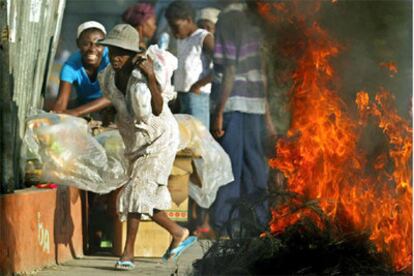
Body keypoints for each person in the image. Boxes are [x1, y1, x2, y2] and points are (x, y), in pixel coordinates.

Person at [97, 24, 196, 270]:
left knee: (136, 189)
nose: (115, 58)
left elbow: (159, 108)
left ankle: (127, 253)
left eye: (121, 53)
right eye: (111, 52)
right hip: (136, 140)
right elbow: (115, 102)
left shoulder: (141, 77)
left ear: (132, 55)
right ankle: (178, 232)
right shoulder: (109, 74)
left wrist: (151, 76)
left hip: (159, 139)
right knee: (145, 196)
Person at [211, 2, 276, 237]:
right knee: (256, 166)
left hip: (234, 103)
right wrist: (267, 114)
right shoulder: (255, 18)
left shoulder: (228, 20)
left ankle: (225, 223)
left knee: (229, 167)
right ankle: (258, 222)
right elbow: (263, 70)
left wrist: (219, 111)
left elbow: (230, 69)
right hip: (256, 104)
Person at [165, 0, 214, 129]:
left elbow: (223, 66)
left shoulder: (203, 38)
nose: (174, 32)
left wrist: (198, 84)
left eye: (176, 27)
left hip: (197, 98)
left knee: (198, 141)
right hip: (181, 97)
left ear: (188, 20)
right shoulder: (183, 39)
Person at [52, 21, 112, 120]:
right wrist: (58, 116)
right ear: (78, 43)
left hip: (110, 107)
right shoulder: (70, 66)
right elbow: (61, 104)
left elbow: (114, 95)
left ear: (105, 44)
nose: (92, 49)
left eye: (98, 44)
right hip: (84, 105)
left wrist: (76, 112)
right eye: (86, 44)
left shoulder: (111, 59)